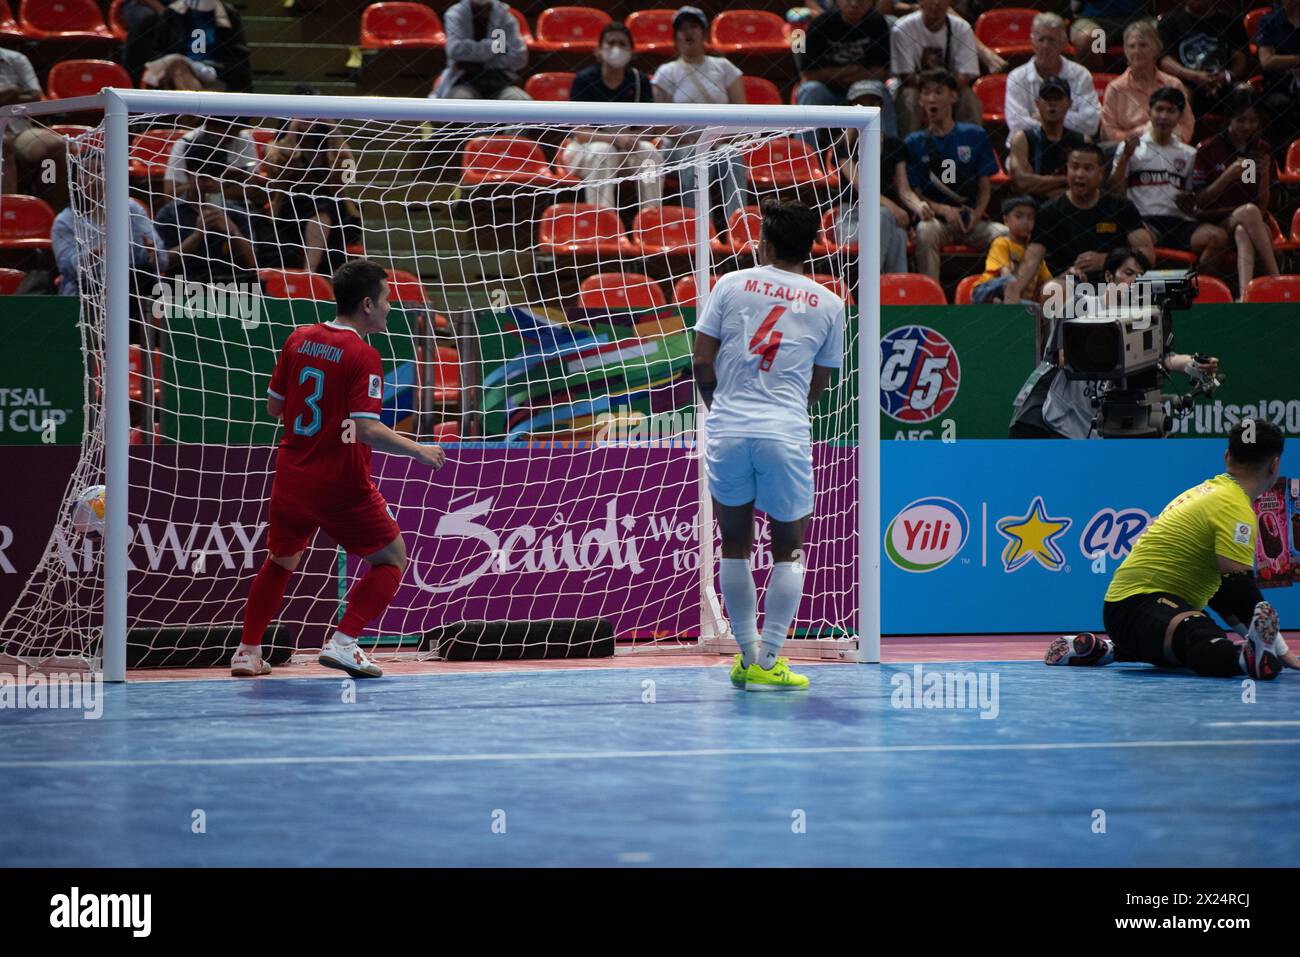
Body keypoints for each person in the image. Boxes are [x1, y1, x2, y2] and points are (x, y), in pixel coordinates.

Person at [233, 259, 447, 678]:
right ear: (367, 304)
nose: (390, 307)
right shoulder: (362, 355)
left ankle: (247, 651)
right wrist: (417, 450)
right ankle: (345, 643)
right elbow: (366, 429)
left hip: (292, 477)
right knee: (392, 558)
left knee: (280, 561)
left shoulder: (299, 338)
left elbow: (275, 406)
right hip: (340, 483)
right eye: (387, 299)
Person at [691, 201, 844, 692]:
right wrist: (784, 408)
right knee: (790, 547)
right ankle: (770, 660)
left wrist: (722, 408)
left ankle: (747, 655)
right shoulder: (831, 303)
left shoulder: (730, 284)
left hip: (729, 428)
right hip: (785, 431)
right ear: (811, 248)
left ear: (767, 244)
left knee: (734, 542)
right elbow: (819, 384)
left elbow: (700, 361)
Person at [1047, 419, 1298, 679]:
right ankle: (1245, 660)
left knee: (1202, 642)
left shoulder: (1205, 492)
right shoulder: (1233, 506)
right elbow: (1238, 589)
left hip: (1136, 610)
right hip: (1139, 606)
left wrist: (1269, 644)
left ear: (1227, 456)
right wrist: (1278, 651)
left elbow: (1223, 594)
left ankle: (1109, 651)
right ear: (1274, 464)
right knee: (1200, 638)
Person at [1012, 247, 1218, 438]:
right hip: (1060, 420)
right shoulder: (1080, 306)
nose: (1134, 281)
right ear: (1109, 276)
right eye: (1128, 273)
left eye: (1140, 276)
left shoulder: (1145, 316)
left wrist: (1192, 364)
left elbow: (1160, 358)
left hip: (1099, 425)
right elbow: (1065, 357)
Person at [1003, 143, 1153, 302]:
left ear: (1101, 173)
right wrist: (1015, 289)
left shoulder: (1121, 207)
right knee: (1052, 289)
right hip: (1070, 284)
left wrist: (1107, 260)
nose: (1079, 174)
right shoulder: (1049, 212)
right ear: (1067, 169)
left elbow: (1147, 254)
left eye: (1088, 168)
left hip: (1113, 282)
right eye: (1074, 167)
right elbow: (1031, 259)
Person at [1108, 86, 1226, 273]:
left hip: (1179, 222)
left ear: (1180, 116)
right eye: (1159, 109)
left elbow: (1193, 200)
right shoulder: (1131, 147)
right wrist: (1124, 159)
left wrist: (1189, 199)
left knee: (1218, 237)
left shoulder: (1189, 153)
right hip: (1144, 221)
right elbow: (1114, 191)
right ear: (1149, 112)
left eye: (1171, 111)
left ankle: (1194, 287)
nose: (1164, 116)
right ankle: (1141, 292)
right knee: (1136, 238)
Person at [903, 69, 1006, 281]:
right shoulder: (913, 142)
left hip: (971, 219)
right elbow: (915, 192)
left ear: (953, 96)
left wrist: (976, 215)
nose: (932, 98)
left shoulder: (974, 135)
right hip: (937, 220)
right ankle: (931, 301)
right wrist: (943, 210)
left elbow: (985, 186)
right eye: (926, 93)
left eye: (939, 92)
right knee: (925, 231)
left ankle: (1000, 295)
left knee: (1003, 235)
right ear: (920, 100)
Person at [652, 7, 749, 219]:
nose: (688, 33)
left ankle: (738, 228)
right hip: (679, 147)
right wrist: (695, 140)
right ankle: (701, 229)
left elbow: (743, 115)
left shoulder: (724, 67)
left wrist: (716, 138)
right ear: (675, 36)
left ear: (704, 33)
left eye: (694, 27)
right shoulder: (666, 72)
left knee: (732, 156)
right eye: (682, 28)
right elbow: (659, 124)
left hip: (720, 143)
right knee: (694, 156)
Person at [1189, 91, 1281, 299]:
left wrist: (1265, 175)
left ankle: (1244, 297)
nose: (1248, 126)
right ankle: (1277, 279)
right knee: (1249, 212)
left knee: (1243, 230)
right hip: (1216, 221)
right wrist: (1227, 177)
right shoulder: (1208, 149)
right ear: (1228, 118)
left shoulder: (1261, 149)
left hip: (1253, 224)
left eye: (1253, 121)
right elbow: (1200, 201)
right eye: (1241, 120)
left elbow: (1264, 206)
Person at [562, 22, 662, 211]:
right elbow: (579, 132)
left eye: (623, 44)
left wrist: (633, 139)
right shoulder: (584, 80)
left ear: (632, 52)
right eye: (611, 43)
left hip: (627, 148)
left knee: (649, 154)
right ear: (599, 50)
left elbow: (650, 129)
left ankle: (651, 217)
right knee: (603, 151)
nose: (616, 48)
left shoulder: (639, 81)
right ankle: (602, 220)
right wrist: (616, 138)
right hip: (588, 150)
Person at [834, 79, 919, 274]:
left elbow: (904, 190)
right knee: (884, 216)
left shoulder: (895, 146)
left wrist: (920, 207)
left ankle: (891, 298)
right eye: (860, 104)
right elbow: (862, 188)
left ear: (881, 107)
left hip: (886, 220)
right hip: (852, 219)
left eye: (872, 103)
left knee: (898, 235)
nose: (867, 109)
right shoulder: (844, 147)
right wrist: (894, 208)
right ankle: (870, 284)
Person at [154, 138, 258, 286]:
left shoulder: (237, 213)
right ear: (187, 175)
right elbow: (162, 262)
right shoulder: (170, 213)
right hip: (183, 289)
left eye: (215, 174)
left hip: (231, 289)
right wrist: (197, 236)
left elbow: (251, 263)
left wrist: (232, 231)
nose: (209, 182)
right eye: (203, 176)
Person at [796, 0, 896, 139]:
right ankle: (804, 153)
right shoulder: (821, 24)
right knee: (809, 90)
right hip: (828, 93)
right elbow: (808, 75)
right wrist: (853, 69)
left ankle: (891, 153)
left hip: (863, 92)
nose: (854, 3)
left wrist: (832, 74)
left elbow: (880, 73)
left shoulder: (877, 23)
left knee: (878, 89)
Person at [1004, 13, 1101, 145]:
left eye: (1051, 40)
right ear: (1032, 42)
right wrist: (1064, 120)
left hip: (1071, 148)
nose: (1045, 46)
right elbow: (1017, 125)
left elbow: (1091, 123)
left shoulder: (1081, 75)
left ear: (1063, 43)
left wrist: (1044, 118)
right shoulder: (1017, 77)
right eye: (1041, 39)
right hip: (1029, 148)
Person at [890, 0, 982, 136]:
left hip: (951, 87)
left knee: (968, 97)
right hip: (916, 87)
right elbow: (906, 75)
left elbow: (965, 76)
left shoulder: (962, 28)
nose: (937, 3)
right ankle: (908, 148)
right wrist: (932, 92)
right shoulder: (902, 28)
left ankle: (971, 147)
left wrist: (942, 92)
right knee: (908, 98)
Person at [1100, 19, 1195, 145]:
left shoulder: (1173, 84)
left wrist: (1165, 140)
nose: (1137, 51)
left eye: (1143, 45)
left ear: (1157, 48)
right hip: (1127, 149)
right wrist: (1137, 136)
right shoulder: (1115, 88)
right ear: (1125, 51)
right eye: (1131, 46)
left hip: (1166, 148)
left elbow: (1186, 126)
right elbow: (1108, 131)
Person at [1157, 0, 1251, 120]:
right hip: (1186, 83)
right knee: (1179, 95)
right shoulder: (1169, 22)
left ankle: (1241, 138)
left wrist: (1226, 76)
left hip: (1223, 82)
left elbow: (1241, 59)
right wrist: (1194, 76)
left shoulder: (1231, 21)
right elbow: (1165, 61)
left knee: (1246, 92)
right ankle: (1181, 137)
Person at [139, 0, 252, 93]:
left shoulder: (229, 15)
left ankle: (192, 113)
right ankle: (196, 112)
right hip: (178, 73)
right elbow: (157, 51)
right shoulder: (172, 13)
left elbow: (239, 61)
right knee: (178, 66)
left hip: (218, 76)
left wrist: (212, 71)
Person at [1006, 77, 1089, 202]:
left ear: (1069, 104)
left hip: (1073, 207)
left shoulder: (1082, 140)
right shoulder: (1023, 139)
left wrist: (1039, 183)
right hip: (1034, 209)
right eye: (1047, 98)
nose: (1052, 103)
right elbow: (1020, 183)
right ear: (1037, 103)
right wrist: (1066, 179)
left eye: (1058, 98)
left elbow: (1089, 183)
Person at [431, 0, 530, 100]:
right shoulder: (455, 14)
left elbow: (519, 56)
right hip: (464, 80)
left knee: (521, 100)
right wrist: (495, 47)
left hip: (499, 81)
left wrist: (475, 62)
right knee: (460, 100)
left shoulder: (506, 17)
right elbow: (456, 50)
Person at [0, 47, 63, 203]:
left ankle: (51, 209)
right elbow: (26, 95)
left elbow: (35, 96)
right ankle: (9, 212)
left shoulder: (16, 59)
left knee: (56, 146)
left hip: (19, 129)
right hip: (4, 136)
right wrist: (13, 91)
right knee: (3, 144)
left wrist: (5, 96)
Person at [970, 196, 1051, 304]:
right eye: (1019, 216)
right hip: (986, 291)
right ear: (1006, 220)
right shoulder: (1002, 243)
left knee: (1036, 307)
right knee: (1010, 280)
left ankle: (999, 303)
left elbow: (1048, 281)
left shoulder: (1036, 253)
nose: (1025, 222)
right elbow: (1005, 275)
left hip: (1016, 299)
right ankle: (996, 301)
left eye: (1031, 218)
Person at [1256, 0, 1300, 163]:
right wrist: (1297, 60)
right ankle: (1285, 159)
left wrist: (1283, 60)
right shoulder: (1269, 21)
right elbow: (1266, 61)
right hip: (1278, 88)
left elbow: (1274, 59)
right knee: (1281, 105)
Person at [1068, 0, 1146, 74]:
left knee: (1154, 35)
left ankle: (1149, 84)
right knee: (1088, 39)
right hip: (1094, 19)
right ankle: (1095, 85)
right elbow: (1073, 7)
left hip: (1136, 18)